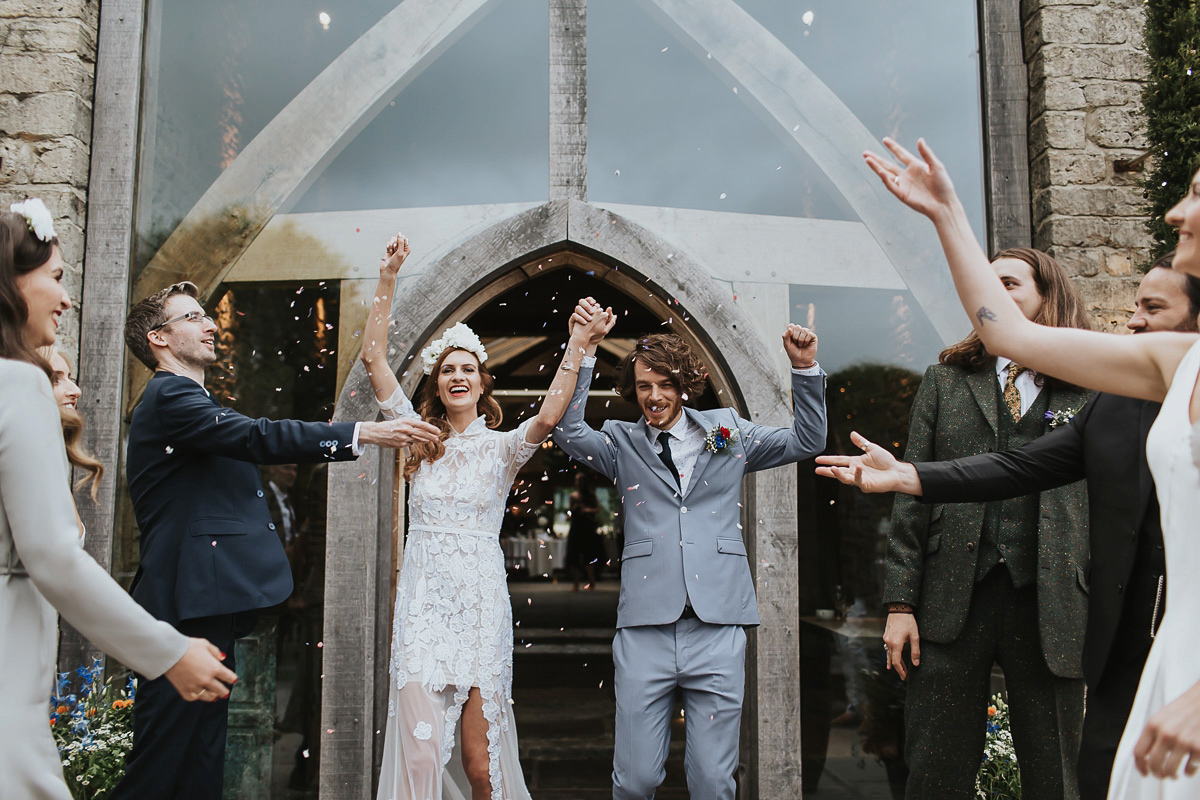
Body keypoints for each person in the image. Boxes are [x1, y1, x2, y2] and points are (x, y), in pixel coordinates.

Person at [861, 138, 1200, 797]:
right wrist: (946, 213)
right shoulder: (1174, 363)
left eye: (1195, 195)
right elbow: (1008, 336)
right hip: (1177, 653)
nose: (1174, 213)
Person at [111, 280, 440, 800]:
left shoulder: (190, 399)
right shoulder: (169, 395)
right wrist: (363, 433)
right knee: (161, 763)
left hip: (206, 600)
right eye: (194, 317)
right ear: (159, 338)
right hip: (184, 602)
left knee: (199, 761)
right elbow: (258, 437)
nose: (210, 323)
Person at [361, 234, 615, 800]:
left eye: (468, 369)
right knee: (422, 758)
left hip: (480, 610)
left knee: (482, 767)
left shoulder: (501, 450)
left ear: (481, 383)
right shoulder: (416, 437)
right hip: (425, 613)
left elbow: (549, 416)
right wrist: (387, 280)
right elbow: (373, 359)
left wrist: (576, 344)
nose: (457, 375)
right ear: (437, 383)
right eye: (448, 368)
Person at [0, 199, 236, 800]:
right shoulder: (17, 383)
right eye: (55, 277)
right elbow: (53, 557)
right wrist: (167, 651)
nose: (66, 297)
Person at [553, 315, 827, 800]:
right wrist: (585, 351)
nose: (653, 395)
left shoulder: (725, 433)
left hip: (718, 626)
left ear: (684, 385)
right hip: (645, 629)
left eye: (663, 384)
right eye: (642, 386)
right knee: (635, 781)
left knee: (713, 782)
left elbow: (806, 442)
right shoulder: (623, 442)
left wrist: (804, 370)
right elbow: (568, 431)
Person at [878, 247, 1093, 799]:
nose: (991, 295)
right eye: (985, 285)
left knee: (1058, 779)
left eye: (1010, 284)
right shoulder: (945, 381)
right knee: (934, 772)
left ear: (1048, 297)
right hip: (950, 601)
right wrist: (901, 605)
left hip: (1052, 604)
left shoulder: (1089, 388)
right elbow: (911, 498)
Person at [566, 471, 604, 591]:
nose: (578, 483)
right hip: (576, 526)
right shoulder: (573, 496)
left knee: (589, 554)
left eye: (580, 480)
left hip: (587, 527)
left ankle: (591, 580)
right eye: (576, 480)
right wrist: (572, 511)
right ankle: (576, 582)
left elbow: (597, 509)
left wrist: (586, 510)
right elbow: (570, 511)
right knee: (573, 554)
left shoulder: (590, 495)